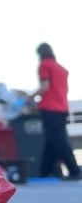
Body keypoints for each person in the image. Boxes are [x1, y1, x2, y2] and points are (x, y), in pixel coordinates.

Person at [31, 42, 82, 180]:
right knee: (52, 140)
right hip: (62, 108)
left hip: (50, 108)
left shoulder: (44, 65)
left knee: (59, 141)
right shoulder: (61, 69)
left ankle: (74, 170)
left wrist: (30, 97)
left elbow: (45, 87)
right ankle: (44, 172)